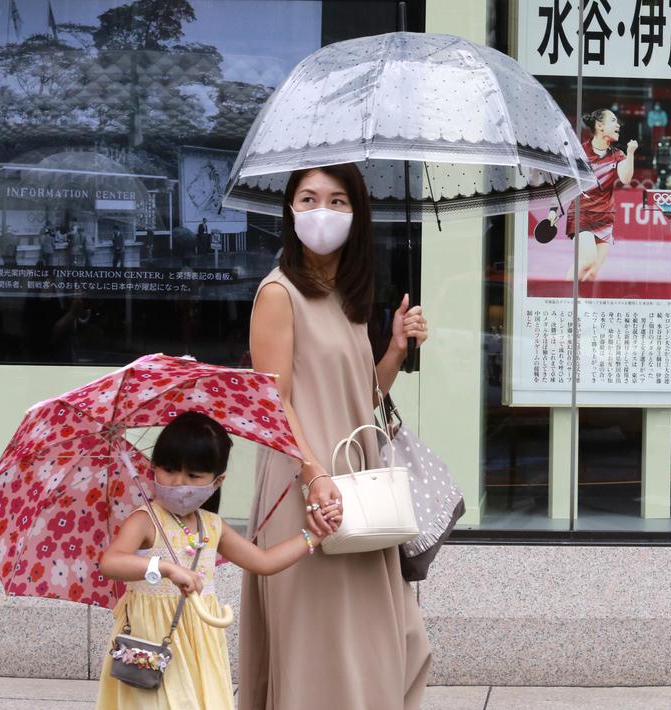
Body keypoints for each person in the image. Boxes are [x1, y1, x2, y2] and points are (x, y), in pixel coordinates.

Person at [241, 163, 432, 709]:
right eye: (307, 199)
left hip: (359, 491)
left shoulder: (347, 296)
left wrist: (394, 348)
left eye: (336, 201)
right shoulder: (278, 293)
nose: (320, 211)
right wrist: (315, 474)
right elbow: (272, 401)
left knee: (390, 640)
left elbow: (360, 397)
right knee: (318, 644)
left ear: (357, 213)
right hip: (305, 490)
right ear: (289, 211)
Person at [95, 412, 322, 709]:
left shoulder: (212, 525)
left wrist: (313, 537)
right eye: (169, 469)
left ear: (217, 481)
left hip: (200, 643)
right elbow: (110, 563)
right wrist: (163, 568)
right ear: (154, 468)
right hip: (151, 641)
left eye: (194, 476)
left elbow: (263, 561)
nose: (179, 482)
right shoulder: (145, 520)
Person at [552, 108, 635, 282]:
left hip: (605, 217)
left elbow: (625, 178)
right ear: (600, 126)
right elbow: (564, 184)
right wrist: (554, 209)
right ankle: (564, 297)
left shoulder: (617, 155)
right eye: (613, 120)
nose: (618, 124)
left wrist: (631, 154)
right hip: (582, 214)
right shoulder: (580, 154)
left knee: (593, 273)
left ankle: (581, 306)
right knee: (587, 261)